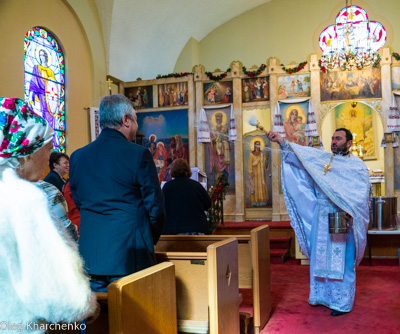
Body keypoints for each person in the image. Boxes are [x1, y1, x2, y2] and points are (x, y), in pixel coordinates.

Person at [0, 97, 97, 331]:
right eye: (48, 148)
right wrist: (83, 306)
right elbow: (53, 288)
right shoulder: (25, 199)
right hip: (24, 324)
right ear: (26, 155)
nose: (49, 157)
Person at [267, 128, 370, 316]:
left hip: (342, 219)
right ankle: (321, 296)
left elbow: (361, 195)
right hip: (321, 218)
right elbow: (300, 157)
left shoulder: (357, 166)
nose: (333, 142)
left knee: (342, 262)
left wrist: (351, 211)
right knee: (320, 257)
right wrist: (281, 141)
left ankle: (341, 302)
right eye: (332, 138)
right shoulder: (323, 160)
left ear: (349, 143)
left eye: (338, 139)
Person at [69, 94, 165, 292]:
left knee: (97, 320)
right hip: (130, 255)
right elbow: (155, 206)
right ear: (126, 120)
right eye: (136, 120)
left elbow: (78, 200)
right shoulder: (138, 154)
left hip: (91, 257)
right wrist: (147, 238)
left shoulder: (77, 157)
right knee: (134, 318)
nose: (137, 127)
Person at [162, 159, 212, 234]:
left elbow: (161, 206)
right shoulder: (196, 185)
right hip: (197, 229)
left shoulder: (167, 187)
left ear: (172, 170)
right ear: (188, 170)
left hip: (173, 230)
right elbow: (208, 204)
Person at [209, 112, 231, 182]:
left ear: (221, 120)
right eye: (217, 119)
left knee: (223, 168)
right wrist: (214, 141)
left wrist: (222, 142)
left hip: (223, 152)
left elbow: (227, 140)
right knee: (216, 168)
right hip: (216, 152)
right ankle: (217, 184)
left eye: (220, 119)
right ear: (215, 120)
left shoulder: (224, 129)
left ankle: (222, 184)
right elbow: (211, 139)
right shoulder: (212, 129)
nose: (218, 120)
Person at [247, 140, 269, 206]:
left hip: (262, 174)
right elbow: (249, 164)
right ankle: (255, 201)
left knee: (262, 186)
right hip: (255, 174)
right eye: (256, 144)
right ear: (254, 145)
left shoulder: (262, 154)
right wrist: (251, 172)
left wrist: (267, 158)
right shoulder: (251, 154)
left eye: (259, 144)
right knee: (255, 186)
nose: (257, 146)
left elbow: (266, 164)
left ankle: (262, 201)